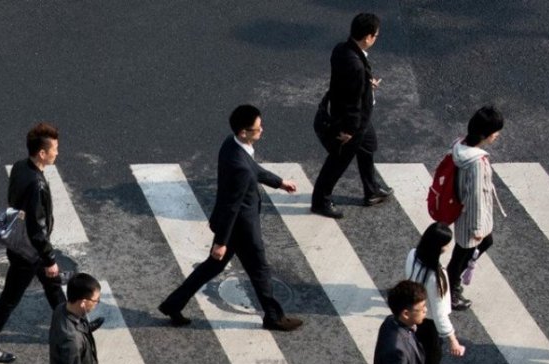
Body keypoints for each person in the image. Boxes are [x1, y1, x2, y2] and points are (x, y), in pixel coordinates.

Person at [157, 104, 303, 332]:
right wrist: (221, 242)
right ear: (243, 132)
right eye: (257, 128)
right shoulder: (240, 167)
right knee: (260, 270)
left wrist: (279, 182)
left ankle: (172, 304)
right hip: (241, 227)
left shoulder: (232, 144)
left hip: (235, 224)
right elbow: (231, 206)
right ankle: (273, 317)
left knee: (211, 268)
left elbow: (253, 169)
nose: (261, 130)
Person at [0, 122, 86, 364]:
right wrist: (49, 258)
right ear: (42, 153)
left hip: (22, 244)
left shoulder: (19, 166)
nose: (58, 152)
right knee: (10, 299)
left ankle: (77, 327)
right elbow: (37, 229)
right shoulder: (36, 183)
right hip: (29, 250)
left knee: (53, 287)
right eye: (55, 148)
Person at [310, 12, 393, 219]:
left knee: (368, 147)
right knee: (337, 161)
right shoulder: (355, 64)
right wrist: (348, 130)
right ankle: (320, 201)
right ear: (367, 37)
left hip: (358, 120)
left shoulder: (342, 49)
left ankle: (371, 190)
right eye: (375, 35)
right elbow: (352, 102)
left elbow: (347, 85)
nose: (376, 39)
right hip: (351, 123)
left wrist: (366, 83)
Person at [446, 105, 505, 311]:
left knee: (469, 250)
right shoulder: (477, 162)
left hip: (462, 211)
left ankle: (449, 283)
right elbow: (477, 197)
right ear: (486, 134)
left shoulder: (459, 145)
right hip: (471, 217)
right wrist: (478, 227)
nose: (497, 135)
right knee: (463, 254)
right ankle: (449, 290)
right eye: (495, 131)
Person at [405, 222, 466, 364]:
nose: (449, 246)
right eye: (446, 243)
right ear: (439, 247)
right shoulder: (435, 277)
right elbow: (439, 315)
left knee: (431, 362)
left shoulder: (413, 255)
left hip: (414, 320)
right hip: (429, 326)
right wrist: (453, 341)